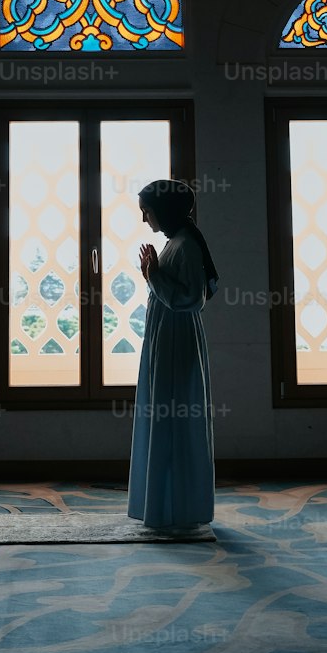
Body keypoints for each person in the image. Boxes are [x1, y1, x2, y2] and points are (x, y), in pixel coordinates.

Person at [126, 178, 220, 532]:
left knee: (174, 417)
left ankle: (175, 509)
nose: (145, 220)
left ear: (162, 211)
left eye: (147, 212)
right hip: (169, 337)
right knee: (166, 416)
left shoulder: (185, 247)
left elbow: (189, 300)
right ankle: (168, 507)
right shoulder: (179, 243)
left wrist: (152, 274)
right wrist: (154, 274)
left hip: (177, 340)